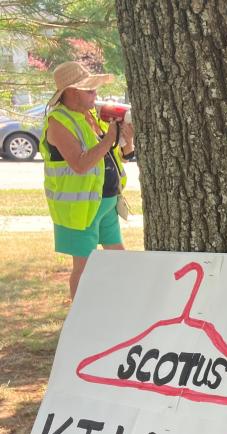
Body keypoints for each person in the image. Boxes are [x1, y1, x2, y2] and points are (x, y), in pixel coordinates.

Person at [42, 61, 135, 299]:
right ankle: (79, 322)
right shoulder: (58, 122)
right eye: (90, 90)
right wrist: (108, 140)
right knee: (83, 269)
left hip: (106, 203)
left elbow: (117, 157)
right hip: (79, 210)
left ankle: (126, 308)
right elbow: (80, 164)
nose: (96, 94)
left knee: (120, 260)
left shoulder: (90, 116)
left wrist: (127, 141)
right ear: (72, 92)